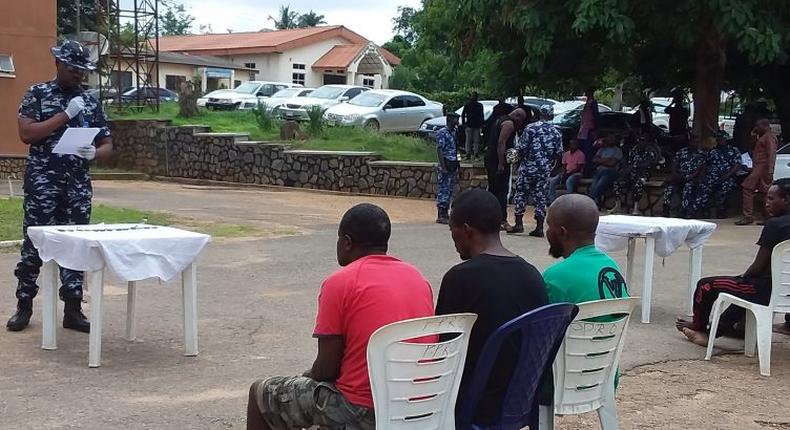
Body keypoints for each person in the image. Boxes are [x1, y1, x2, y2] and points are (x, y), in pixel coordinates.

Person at [246, 204, 435, 430]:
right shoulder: (418, 279)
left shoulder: (340, 283)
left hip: (362, 412)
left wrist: (307, 375)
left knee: (260, 393)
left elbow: (327, 370)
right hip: (418, 408)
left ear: (346, 242)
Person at [7, 40, 114, 333]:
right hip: (44, 183)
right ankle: (24, 304)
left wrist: (95, 153)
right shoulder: (38, 94)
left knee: (77, 247)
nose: (78, 74)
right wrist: (64, 115)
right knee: (34, 245)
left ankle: (73, 308)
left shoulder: (90, 101)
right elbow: (26, 133)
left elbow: (107, 144)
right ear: (58, 64)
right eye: (72, 68)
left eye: (82, 70)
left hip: (77, 186)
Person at [435, 189, 548, 425]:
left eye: (452, 230)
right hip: (521, 399)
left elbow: (444, 351)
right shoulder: (532, 274)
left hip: (473, 404)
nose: (452, 238)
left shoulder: (460, 278)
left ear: (466, 230)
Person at [676, 180, 790, 346]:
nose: (766, 203)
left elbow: (757, 267)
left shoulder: (776, 225)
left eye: (771, 199)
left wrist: (743, 276)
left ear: (786, 200)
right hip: (786, 292)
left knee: (706, 285)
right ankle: (727, 328)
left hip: (768, 290)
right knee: (743, 290)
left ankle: (699, 327)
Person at [543, 193, 629, 304]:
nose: (547, 232)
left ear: (562, 232)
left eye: (549, 226)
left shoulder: (554, 277)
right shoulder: (610, 265)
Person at [508, 105, 563, 237]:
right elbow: (559, 153)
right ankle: (539, 227)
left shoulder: (530, 128)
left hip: (528, 166)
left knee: (521, 193)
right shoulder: (556, 131)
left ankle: (519, 224)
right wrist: (552, 168)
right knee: (540, 196)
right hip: (544, 168)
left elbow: (521, 148)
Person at [485, 108, 528, 228]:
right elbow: (501, 142)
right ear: (517, 116)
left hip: (491, 158)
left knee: (493, 189)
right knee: (502, 191)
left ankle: (491, 218)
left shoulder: (500, 119)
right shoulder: (509, 124)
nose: (521, 123)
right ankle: (501, 220)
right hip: (498, 160)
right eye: (522, 120)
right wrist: (501, 163)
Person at [737, 119, 778, 225]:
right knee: (763, 192)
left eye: (757, 126)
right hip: (759, 167)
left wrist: (770, 171)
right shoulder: (763, 137)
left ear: (764, 126)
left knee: (748, 188)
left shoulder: (769, 137)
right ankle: (767, 216)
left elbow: (771, 154)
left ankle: (748, 215)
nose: (756, 128)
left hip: (762, 167)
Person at [661, 135, 707, 218]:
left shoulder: (702, 154)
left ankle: (686, 211)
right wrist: (677, 176)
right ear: (690, 142)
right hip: (679, 178)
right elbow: (674, 166)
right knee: (669, 189)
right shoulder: (681, 152)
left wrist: (691, 177)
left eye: (697, 142)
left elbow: (701, 169)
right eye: (693, 142)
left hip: (692, 179)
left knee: (688, 188)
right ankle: (666, 210)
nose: (695, 144)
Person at [697, 135, 743, 218]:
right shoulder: (713, 151)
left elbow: (737, 165)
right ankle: (704, 211)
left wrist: (726, 176)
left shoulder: (733, 150)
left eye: (722, 139)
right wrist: (702, 176)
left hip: (728, 177)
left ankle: (721, 210)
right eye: (719, 139)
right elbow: (705, 164)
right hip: (712, 177)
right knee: (703, 187)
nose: (720, 141)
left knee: (725, 188)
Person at [612, 137, 660, 215]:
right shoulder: (634, 150)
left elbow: (649, 165)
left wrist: (636, 167)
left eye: (642, 141)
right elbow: (629, 163)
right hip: (631, 174)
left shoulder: (650, 151)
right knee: (617, 183)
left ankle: (635, 208)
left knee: (638, 184)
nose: (640, 143)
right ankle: (618, 205)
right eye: (639, 141)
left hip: (643, 174)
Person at [435, 112, 461, 224]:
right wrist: (443, 166)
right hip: (445, 163)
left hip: (453, 163)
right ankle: (441, 214)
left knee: (450, 189)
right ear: (450, 119)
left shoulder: (454, 132)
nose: (457, 121)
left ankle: (446, 213)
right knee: (443, 189)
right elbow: (440, 149)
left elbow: (456, 149)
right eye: (456, 119)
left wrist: (458, 163)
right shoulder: (442, 133)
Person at [548, 138, 586, 203]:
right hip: (566, 172)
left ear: (577, 145)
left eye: (574, 144)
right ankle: (552, 201)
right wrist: (563, 173)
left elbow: (579, 168)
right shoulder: (566, 154)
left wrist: (568, 173)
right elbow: (564, 165)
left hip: (576, 173)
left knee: (569, 181)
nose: (572, 146)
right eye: (571, 144)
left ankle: (567, 201)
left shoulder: (581, 154)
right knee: (553, 181)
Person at [588, 136, 623, 203]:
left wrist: (600, 161)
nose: (610, 140)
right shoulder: (601, 149)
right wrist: (607, 159)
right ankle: (594, 201)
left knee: (600, 184)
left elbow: (612, 164)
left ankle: (591, 200)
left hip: (610, 172)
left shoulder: (617, 150)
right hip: (599, 171)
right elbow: (594, 160)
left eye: (612, 139)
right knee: (594, 185)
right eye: (609, 138)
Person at [578, 88, 600, 175]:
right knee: (584, 151)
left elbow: (596, 117)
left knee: (589, 152)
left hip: (589, 131)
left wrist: (594, 130)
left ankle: (589, 170)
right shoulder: (587, 103)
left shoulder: (593, 103)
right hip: (583, 131)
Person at [462, 92, 485, 159]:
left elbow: (481, 115)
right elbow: (463, 114)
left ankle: (475, 153)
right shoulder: (468, 105)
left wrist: (482, 124)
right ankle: (468, 153)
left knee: (476, 140)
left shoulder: (479, 105)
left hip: (476, 125)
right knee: (469, 140)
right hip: (469, 125)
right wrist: (464, 124)